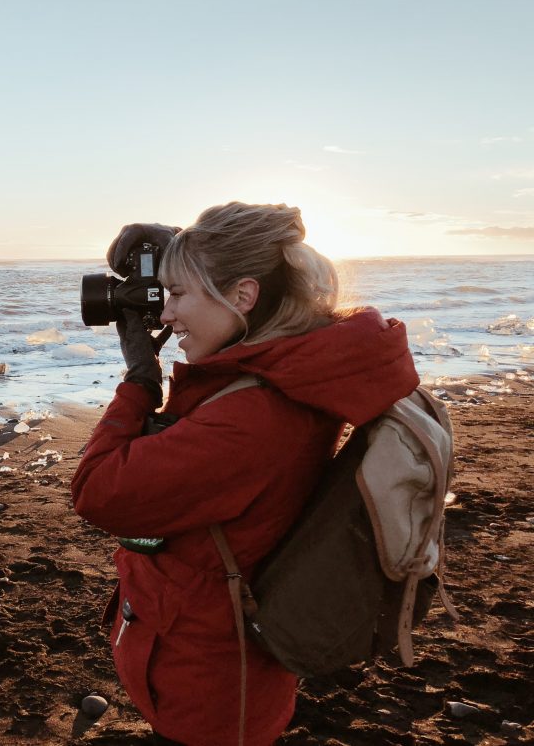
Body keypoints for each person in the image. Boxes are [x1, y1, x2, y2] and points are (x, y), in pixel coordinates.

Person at [70, 202, 420, 746]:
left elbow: (97, 492)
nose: (164, 314)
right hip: (205, 649)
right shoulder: (280, 368)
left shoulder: (254, 416)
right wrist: (184, 253)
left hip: (209, 680)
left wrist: (140, 379)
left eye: (179, 294)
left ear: (243, 296)